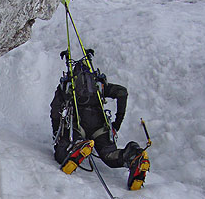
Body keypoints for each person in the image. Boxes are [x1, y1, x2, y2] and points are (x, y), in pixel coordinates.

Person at [50, 50, 149, 189]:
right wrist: (117, 123)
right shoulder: (99, 86)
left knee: (61, 154)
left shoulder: (67, 87)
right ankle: (133, 154)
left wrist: (56, 133)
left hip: (78, 125)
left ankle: (78, 146)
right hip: (100, 126)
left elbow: (55, 111)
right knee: (109, 155)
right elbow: (122, 92)